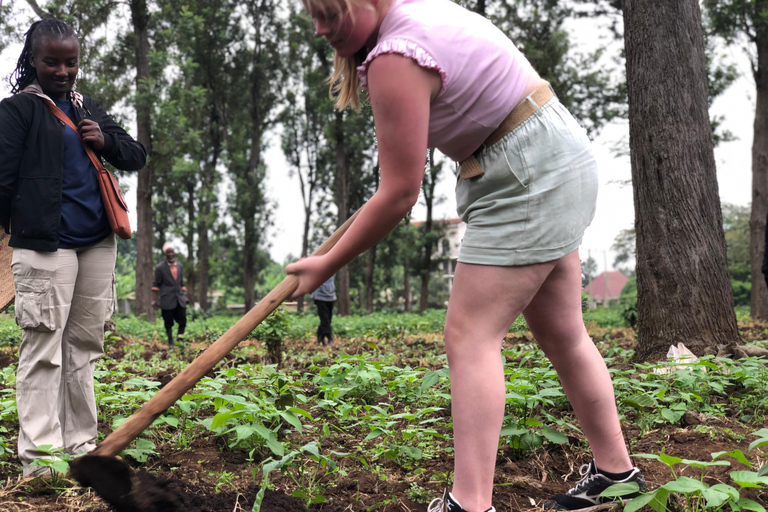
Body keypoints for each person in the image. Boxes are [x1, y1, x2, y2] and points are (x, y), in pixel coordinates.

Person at [286, 1, 646, 511]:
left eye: (332, 14)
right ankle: (617, 475)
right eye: (314, 15)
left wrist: (327, 263)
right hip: (549, 151)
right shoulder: (419, 14)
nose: (321, 29)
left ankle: (470, 504)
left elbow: (399, 193)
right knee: (563, 332)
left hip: (523, 173)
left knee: (470, 336)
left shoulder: (396, 56)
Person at [0, 19, 146, 477]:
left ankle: (82, 446)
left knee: (84, 344)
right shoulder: (17, 112)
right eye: (52, 62)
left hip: (97, 242)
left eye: (71, 62)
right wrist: (18, 227)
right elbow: (1, 182)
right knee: (43, 347)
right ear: (33, 61)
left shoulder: (86, 106)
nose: (63, 71)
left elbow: (136, 153)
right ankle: (41, 462)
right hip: (46, 246)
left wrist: (104, 140)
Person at [152, 242, 187, 349]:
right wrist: (154, 300)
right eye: (168, 252)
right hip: (166, 299)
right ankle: (171, 342)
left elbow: (181, 283)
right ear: (165, 254)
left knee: (183, 321)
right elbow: (155, 284)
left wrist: (184, 296)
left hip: (179, 299)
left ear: (175, 253)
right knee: (168, 322)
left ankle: (179, 341)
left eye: (172, 252)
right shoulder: (160, 268)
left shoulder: (180, 266)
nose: (171, 254)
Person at [310, 275, 336, 346]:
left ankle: (320, 337)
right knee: (325, 319)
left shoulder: (333, 267)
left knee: (328, 319)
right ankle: (329, 338)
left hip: (331, 295)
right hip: (320, 296)